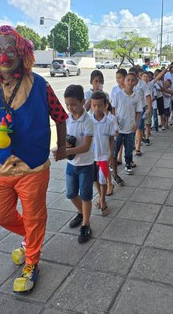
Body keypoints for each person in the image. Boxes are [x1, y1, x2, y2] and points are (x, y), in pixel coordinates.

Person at [0, 25, 68, 293]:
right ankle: (31, 239)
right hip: (0, 167)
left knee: (34, 217)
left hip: (33, 167)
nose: (4, 55)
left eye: (10, 49)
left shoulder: (40, 84)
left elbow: (60, 115)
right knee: (0, 216)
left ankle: (32, 261)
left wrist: (62, 147)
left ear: (21, 52)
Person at [55, 84, 95, 244]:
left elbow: (85, 147)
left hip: (86, 165)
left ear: (83, 101)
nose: (70, 108)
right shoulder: (66, 119)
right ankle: (81, 213)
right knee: (71, 193)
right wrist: (62, 147)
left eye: (73, 104)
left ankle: (86, 224)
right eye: (67, 104)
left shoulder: (88, 121)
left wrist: (66, 152)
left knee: (86, 196)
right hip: (71, 165)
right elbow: (64, 140)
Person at [90, 91, 115, 216]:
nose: (97, 108)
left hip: (104, 157)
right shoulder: (89, 121)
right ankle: (100, 197)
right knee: (95, 179)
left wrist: (111, 155)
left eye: (100, 105)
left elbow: (111, 139)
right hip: (91, 158)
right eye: (94, 105)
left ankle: (103, 200)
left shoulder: (109, 122)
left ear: (105, 105)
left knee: (103, 180)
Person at [112, 72, 142, 175]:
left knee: (129, 149)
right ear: (124, 81)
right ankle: (113, 164)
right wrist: (114, 124)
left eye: (133, 80)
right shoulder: (118, 94)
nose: (130, 82)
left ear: (136, 82)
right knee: (115, 148)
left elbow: (138, 112)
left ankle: (128, 164)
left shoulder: (137, 97)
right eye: (128, 79)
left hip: (130, 128)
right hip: (118, 128)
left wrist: (136, 124)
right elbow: (113, 109)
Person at [134, 69, 152, 155]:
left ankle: (138, 147)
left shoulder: (142, 84)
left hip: (140, 108)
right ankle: (135, 142)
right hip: (130, 109)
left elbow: (148, 96)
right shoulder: (127, 84)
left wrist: (149, 108)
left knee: (139, 127)